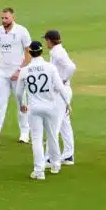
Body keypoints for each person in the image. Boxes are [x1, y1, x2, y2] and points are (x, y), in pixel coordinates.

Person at [16, 41, 67, 179]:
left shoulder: (25, 70)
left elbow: (19, 93)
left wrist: (22, 104)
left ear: (29, 53)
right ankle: (56, 164)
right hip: (51, 106)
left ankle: (39, 171)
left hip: (34, 108)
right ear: (41, 52)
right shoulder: (50, 67)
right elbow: (60, 87)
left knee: (37, 139)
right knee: (52, 135)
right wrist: (67, 102)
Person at [0, 7, 31, 154]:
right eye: (2, 18)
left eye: (6, 18)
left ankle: (24, 133)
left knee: (21, 103)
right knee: (0, 104)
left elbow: (28, 53)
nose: (4, 21)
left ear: (13, 17)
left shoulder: (22, 31)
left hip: (18, 75)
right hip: (3, 74)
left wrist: (20, 71)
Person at [45, 28, 78, 168]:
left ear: (49, 41)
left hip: (61, 91)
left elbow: (71, 67)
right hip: (63, 90)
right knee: (64, 123)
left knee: (55, 124)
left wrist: (62, 80)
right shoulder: (57, 51)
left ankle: (50, 158)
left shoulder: (57, 52)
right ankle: (68, 155)